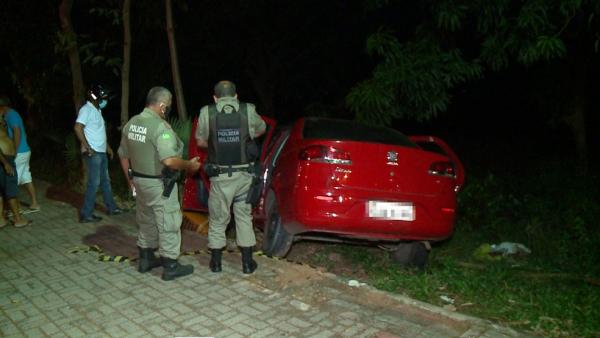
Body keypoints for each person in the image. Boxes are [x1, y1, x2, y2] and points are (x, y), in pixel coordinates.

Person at [118, 86, 201, 281]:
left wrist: (130, 181)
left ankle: (146, 260)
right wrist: (189, 165)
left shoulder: (131, 123)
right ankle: (170, 266)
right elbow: (169, 160)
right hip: (159, 185)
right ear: (162, 106)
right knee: (168, 221)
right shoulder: (160, 128)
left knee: (146, 220)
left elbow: (123, 155)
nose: (169, 109)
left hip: (139, 181)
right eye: (169, 106)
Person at [195, 80, 266, 274]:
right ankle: (247, 264)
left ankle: (216, 264)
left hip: (220, 177)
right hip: (244, 176)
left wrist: (216, 141)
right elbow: (262, 129)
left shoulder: (206, 112)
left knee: (218, 218)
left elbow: (200, 141)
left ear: (215, 97)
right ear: (236, 96)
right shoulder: (248, 110)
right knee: (243, 216)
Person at [74, 84, 124, 223]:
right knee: (94, 183)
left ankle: (111, 208)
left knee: (105, 182)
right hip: (94, 153)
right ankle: (86, 214)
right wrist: (88, 147)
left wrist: (108, 147)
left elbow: (98, 132)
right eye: (102, 97)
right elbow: (78, 128)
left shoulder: (97, 111)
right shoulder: (87, 110)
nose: (104, 100)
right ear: (94, 96)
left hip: (100, 152)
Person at [0, 95, 39, 213]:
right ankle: (34, 203)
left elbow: (17, 132)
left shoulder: (11, 115)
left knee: (11, 180)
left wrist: (15, 152)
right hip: (24, 150)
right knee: (26, 177)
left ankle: (17, 209)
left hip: (20, 152)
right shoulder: (8, 115)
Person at [0, 118, 30, 228]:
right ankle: (18, 219)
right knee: (11, 190)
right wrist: (6, 163)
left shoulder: (2, 125)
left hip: (5, 160)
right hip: (5, 160)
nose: (2, 118)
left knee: (2, 190)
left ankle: (1, 219)